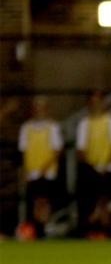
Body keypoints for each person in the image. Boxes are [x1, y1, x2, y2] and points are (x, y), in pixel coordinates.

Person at [76, 90, 111, 239]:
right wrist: (92, 166)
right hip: (90, 169)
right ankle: (90, 230)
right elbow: (81, 149)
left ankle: (105, 230)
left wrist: (107, 165)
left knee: (104, 200)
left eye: (99, 101)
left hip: (107, 168)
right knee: (90, 201)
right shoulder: (85, 123)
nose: (96, 104)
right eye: (93, 101)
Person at [17, 96, 63, 240]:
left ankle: (44, 227)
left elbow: (57, 150)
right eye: (36, 108)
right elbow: (24, 150)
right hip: (32, 171)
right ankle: (37, 228)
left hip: (47, 171)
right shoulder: (26, 128)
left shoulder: (53, 127)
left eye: (42, 108)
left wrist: (46, 167)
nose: (39, 111)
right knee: (35, 200)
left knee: (45, 200)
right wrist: (25, 169)